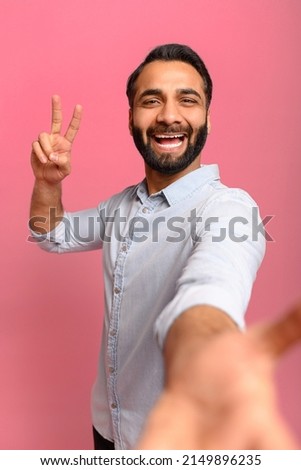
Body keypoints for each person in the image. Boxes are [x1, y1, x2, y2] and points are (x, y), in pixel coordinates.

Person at [29, 44, 274, 450]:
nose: (169, 115)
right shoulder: (120, 206)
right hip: (108, 429)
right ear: (131, 119)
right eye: (151, 100)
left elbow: (216, 280)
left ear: (207, 119)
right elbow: (49, 233)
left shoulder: (230, 209)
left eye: (187, 100)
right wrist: (47, 184)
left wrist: (202, 329)